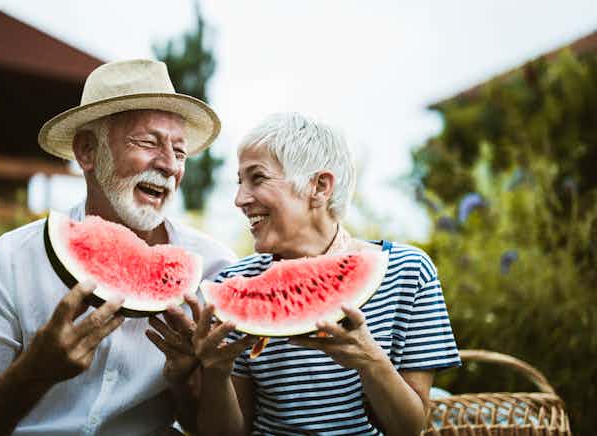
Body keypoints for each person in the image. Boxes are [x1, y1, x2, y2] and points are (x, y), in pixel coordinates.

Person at [0, 59, 236, 435]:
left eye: (180, 151)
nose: (170, 165)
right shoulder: (10, 262)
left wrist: (188, 382)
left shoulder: (215, 269)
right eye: (148, 142)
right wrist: (32, 375)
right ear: (88, 151)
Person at [148, 112, 461, 435]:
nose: (240, 199)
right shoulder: (234, 283)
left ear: (320, 186)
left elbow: (410, 429)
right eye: (240, 182)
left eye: (258, 178)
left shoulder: (408, 272)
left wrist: (370, 361)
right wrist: (216, 371)